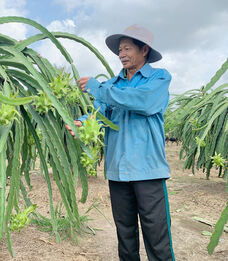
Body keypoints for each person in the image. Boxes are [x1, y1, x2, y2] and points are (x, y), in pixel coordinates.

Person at [66, 24, 175, 261]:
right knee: (125, 235)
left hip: (148, 171)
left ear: (144, 49)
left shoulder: (158, 78)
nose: (121, 54)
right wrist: (83, 123)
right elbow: (101, 115)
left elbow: (144, 102)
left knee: (157, 236)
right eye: (119, 50)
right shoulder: (113, 85)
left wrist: (99, 89)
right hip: (117, 172)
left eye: (127, 48)